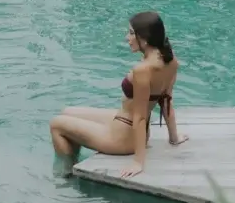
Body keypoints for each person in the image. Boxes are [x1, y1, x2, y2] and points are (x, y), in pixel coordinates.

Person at [49, 11, 188, 178]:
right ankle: (73, 159)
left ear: (144, 38)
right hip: (126, 124)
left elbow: (140, 117)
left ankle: (65, 173)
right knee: (67, 111)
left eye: (131, 33)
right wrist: (174, 137)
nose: (127, 38)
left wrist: (138, 162)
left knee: (56, 124)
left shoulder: (143, 70)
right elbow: (166, 101)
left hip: (123, 137)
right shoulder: (171, 61)